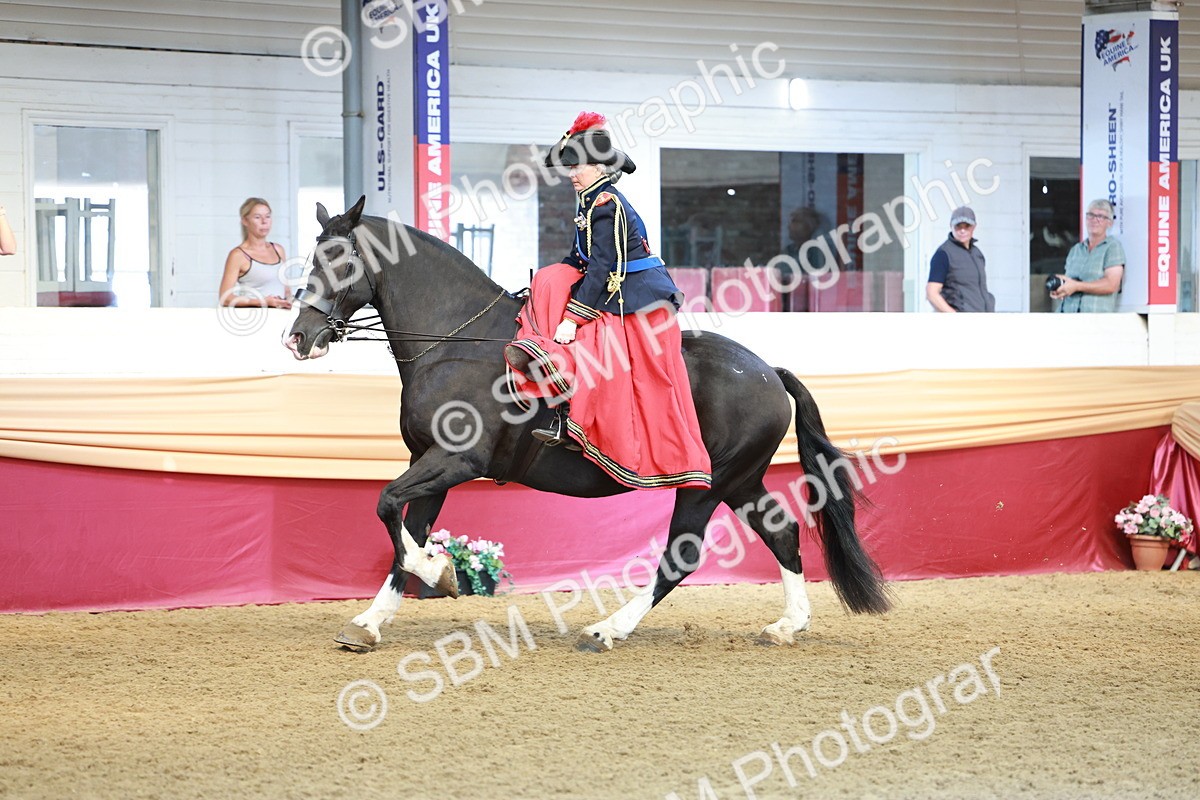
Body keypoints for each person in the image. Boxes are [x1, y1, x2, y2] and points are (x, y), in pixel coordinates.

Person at [504, 112, 711, 490]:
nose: (571, 173)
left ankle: (571, 419)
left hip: (635, 297)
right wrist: (546, 286)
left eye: (577, 166)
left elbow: (604, 269)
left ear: (598, 167)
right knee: (553, 278)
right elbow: (577, 259)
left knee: (594, 349)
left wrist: (573, 318)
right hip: (615, 287)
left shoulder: (607, 204)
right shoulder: (587, 201)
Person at [1051, 199, 1125, 312]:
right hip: (1067, 317)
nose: (1094, 220)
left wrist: (1077, 286)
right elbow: (1069, 283)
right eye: (1090, 215)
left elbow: (1111, 284)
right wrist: (1060, 288)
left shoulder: (1113, 247)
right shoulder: (1076, 250)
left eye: (1100, 216)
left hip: (1094, 321)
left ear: (1109, 223)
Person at [219, 197, 291, 308]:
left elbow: (286, 290)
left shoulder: (278, 249)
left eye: (268, 216)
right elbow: (225, 298)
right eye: (257, 217)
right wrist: (262, 301)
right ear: (245, 221)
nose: (264, 221)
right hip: (255, 318)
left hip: (280, 317)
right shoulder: (238, 255)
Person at [926, 206, 995, 313]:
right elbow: (932, 293)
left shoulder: (977, 254)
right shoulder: (943, 254)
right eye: (958, 226)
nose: (962, 230)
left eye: (967, 226)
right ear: (951, 226)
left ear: (974, 227)